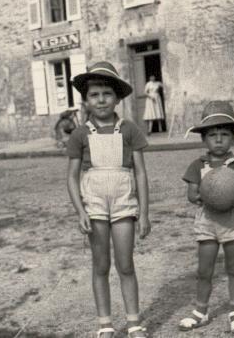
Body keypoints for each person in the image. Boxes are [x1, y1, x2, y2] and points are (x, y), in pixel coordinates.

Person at [66, 61, 151, 338]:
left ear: (116, 97)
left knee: (125, 264)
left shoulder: (129, 130)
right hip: (95, 203)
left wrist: (145, 213)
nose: (101, 99)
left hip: (124, 201)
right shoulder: (80, 134)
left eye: (106, 93)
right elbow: (72, 177)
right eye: (94, 94)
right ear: (86, 100)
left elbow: (140, 173)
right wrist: (80, 211)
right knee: (100, 264)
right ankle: (105, 323)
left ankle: (134, 321)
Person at [178, 101, 234, 335]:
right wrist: (198, 194)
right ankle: (201, 311)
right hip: (207, 222)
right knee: (204, 269)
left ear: (233, 137)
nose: (218, 139)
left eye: (224, 134)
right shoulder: (197, 165)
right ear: (204, 139)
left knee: (233, 267)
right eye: (213, 135)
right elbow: (192, 193)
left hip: (232, 221)